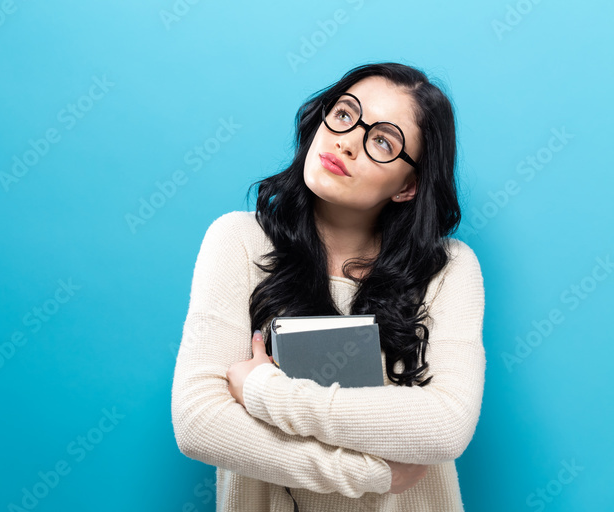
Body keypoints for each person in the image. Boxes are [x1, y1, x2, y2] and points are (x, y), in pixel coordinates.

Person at [170, 62, 485, 511]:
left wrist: (264, 391)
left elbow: (446, 426)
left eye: (381, 141)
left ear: (408, 187)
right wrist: (373, 474)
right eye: (343, 114)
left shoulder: (448, 270)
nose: (347, 141)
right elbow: (199, 423)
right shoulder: (237, 240)